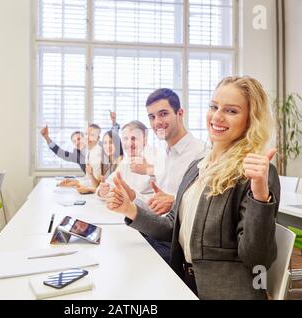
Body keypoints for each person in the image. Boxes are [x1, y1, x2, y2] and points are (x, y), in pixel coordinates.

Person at [106, 76, 281, 300]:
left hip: (222, 292)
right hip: (184, 281)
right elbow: (172, 226)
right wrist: (130, 209)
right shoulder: (198, 167)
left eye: (231, 111)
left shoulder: (256, 173)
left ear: (250, 120)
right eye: (214, 107)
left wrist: (259, 194)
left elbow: (258, 259)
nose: (217, 116)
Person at [114, 88, 206, 262]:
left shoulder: (200, 154)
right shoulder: (164, 154)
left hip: (176, 245)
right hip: (157, 232)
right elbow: (158, 206)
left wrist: (175, 200)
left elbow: (205, 209)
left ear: (180, 113)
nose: (157, 122)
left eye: (163, 114)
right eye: (152, 117)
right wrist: (132, 197)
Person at [96, 120, 159, 198]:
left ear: (145, 139)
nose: (129, 143)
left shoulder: (157, 155)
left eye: (134, 138)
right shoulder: (126, 161)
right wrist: (101, 191)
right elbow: (110, 182)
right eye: (125, 139)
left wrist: (148, 170)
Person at [60, 130, 124, 194]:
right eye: (105, 143)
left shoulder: (119, 160)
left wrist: (89, 189)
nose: (107, 146)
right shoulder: (106, 161)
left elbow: (114, 188)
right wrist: (89, 176)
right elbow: (99, 185)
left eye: (111, 142)